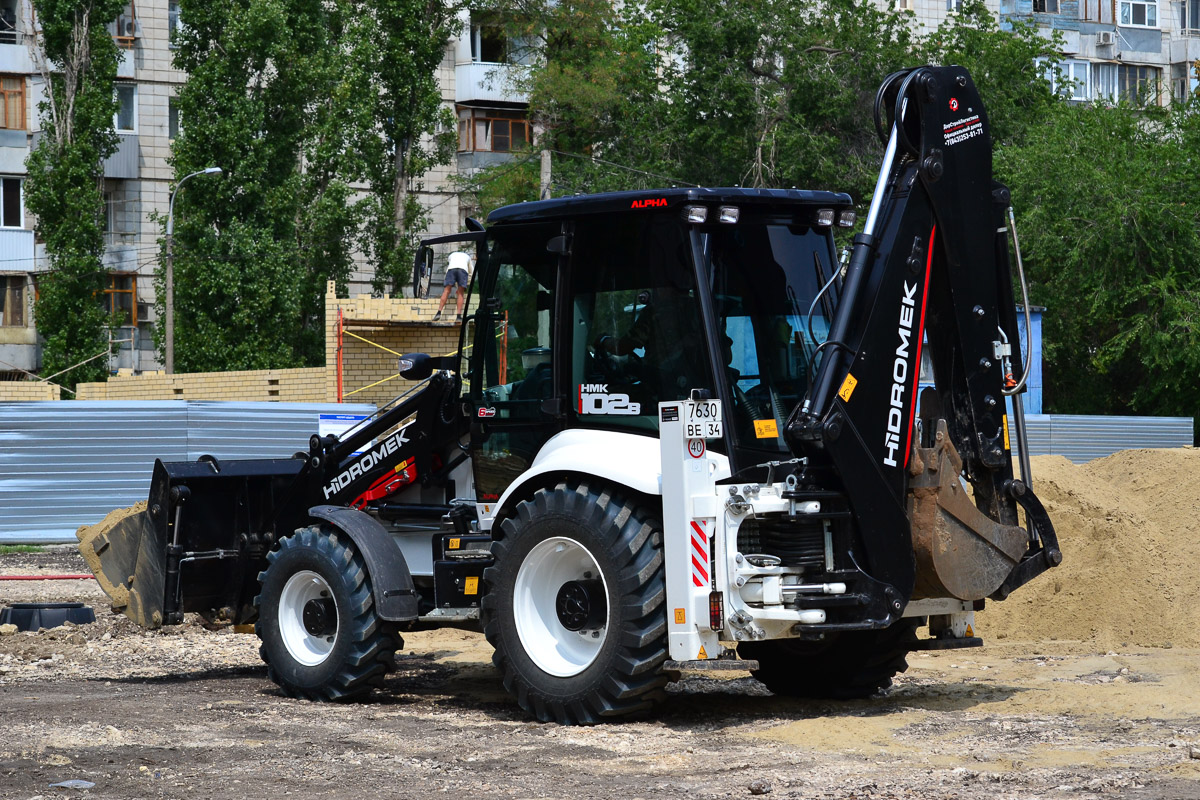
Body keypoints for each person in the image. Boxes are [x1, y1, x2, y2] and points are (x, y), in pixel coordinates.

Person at [433, 250, 473, 322]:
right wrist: (466, 284)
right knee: (460, 293)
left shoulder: (451, 255)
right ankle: (458, 317)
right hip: (463, 270)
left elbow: (449, 267)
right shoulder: (468, 257)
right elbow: (471, 272)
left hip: (451, 270)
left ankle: (438, 312)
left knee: (446, 291)